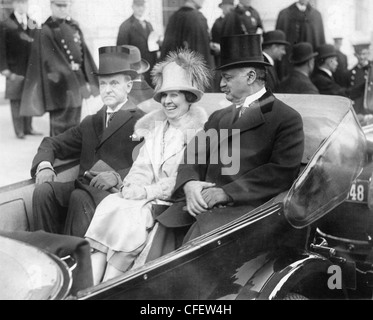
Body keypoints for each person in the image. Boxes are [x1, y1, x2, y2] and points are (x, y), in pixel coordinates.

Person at [146, 34, 305, 261]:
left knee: (184, 259)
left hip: (248, 213)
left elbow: (281, 172)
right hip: (201, 206)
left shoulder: (285, 118)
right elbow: (194, 152)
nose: (221, 84)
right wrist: (189, 184)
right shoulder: (220, 116)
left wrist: (226, 193)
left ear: (251, 76)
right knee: (155, 237)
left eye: (228, 78)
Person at [85, 49, 211, 284]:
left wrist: (145, 192)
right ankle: (90, 284)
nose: (168, 101)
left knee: (131, 216)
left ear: (188, 98)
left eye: (174, 95)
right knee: (110, 204)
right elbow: (142, 165)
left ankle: (108, 285)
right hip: (144, 196)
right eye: (164, 96)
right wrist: (133, 185)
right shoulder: (156, 128)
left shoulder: (196, 132)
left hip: (168, 200)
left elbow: (179, 178)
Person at [31, 46, 145, 238]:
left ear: (128, 86)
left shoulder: (141, 121)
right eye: (102, 84)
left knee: (79, 196)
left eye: (114, 83)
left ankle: (76, 260)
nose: (107, 90)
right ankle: (51, 250)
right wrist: (44, 166)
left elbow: (150, 164)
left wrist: (118, 176)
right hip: (84, 189)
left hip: (116, 194)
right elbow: (51, 143)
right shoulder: (91, 122)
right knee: (44, 191)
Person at [20, 0, 99, 137]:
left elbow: (83, 53)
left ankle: (72, 156)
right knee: (60, 126)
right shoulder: (45, 30)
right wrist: (69, 73)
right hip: (59, 85)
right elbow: (50, 60)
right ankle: (58, 157)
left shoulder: (74, 26)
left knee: (74, 123)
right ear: (51, 6)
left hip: (77, 83)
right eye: (59, 6)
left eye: (65, 6)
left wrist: (90, 78)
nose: (62, 9)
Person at [0, 0, 41, 139]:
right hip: (14, 69)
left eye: (24, 3)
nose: (22, 6)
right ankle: (19, 131)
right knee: (16, 99)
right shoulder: (5, 24)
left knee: (29, 98)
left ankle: (28, 128)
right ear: (14, 5)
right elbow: (1, 50)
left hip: (30, 69)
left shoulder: (32, 23)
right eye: (19, 3)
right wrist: (4, 69)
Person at [275, 0, 325, 80]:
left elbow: (320, 41)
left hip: (310, 68)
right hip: (289, 65)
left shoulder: (316, 15)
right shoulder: (285, 14)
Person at [160, 0, 214, 72]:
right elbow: (203, 53)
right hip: (193, 74)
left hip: (173, 73)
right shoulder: (198, 18)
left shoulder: (173, 17)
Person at [116, 0, 160, 87]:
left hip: (150, 68)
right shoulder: (126, 26)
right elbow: (121, 52)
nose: (140, 8)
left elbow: (153, 44)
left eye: (142, 6)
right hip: (136, 69)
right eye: (138, 6)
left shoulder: (148, 25)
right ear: (133, 7)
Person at [210, 0, 234, 92]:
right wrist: (213, 46)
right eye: (227, 6)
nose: (229, 8)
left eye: (231, 6)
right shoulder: (217, 22)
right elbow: (212, 39)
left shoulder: (235, 21)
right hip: (220, 58)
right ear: (222, 7)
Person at [346, 42, 373, 125]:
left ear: (368, 53)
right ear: (355, 55)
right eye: (359, 54)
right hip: (359, 111)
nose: (361, 57)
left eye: (364, 54)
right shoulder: (351, 72)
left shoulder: (371, 69)